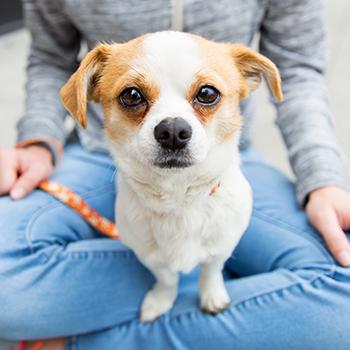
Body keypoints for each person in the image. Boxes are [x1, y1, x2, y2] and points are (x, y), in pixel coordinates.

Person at [1, 0, 350, 349]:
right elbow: (49, 59)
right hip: (99, 159)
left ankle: (81, 338)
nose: (172, 129)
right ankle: (216, 292)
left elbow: (299, 70)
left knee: (342, 297)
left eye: (207, 95)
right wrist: (37, 139)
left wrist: (322, 178)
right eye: (133, 96)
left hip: (224, 169)